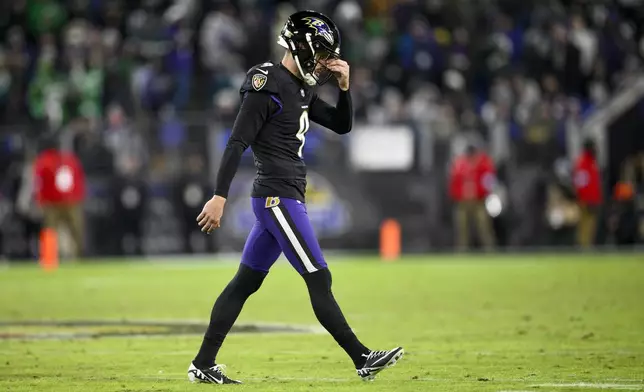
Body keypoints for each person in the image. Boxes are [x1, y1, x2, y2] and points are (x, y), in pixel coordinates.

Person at [188, 10, 403, 384]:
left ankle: (203, 363)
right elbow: (237, 141)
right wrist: (219, 195)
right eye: (319, 54)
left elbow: (341, 124)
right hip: (277, 197)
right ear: (302, 48)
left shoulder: (300, 87)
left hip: (284, 194)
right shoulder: (266, 83)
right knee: (319, 277)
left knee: (245, 283)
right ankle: (363, 357)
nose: (322, 63)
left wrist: (345, 87)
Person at [448, 144, 496, 251]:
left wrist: (486, 193)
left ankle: (489, 250)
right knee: (461, 228)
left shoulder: (483, 163)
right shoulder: (460, 164)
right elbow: (454, 182)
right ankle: (462, 251)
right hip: (463, 202)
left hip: (479, 200)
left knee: (483, 226)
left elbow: (489, 180)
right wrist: (455, 196)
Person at [573, 139, 602, 248]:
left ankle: (587, 246)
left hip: (593, 199)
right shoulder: (583, 162)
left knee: (591, 226)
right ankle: (583, 247)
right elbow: (581, 183)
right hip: (586, 200)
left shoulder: (591, 162)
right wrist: (586, 199)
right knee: (584, 225)